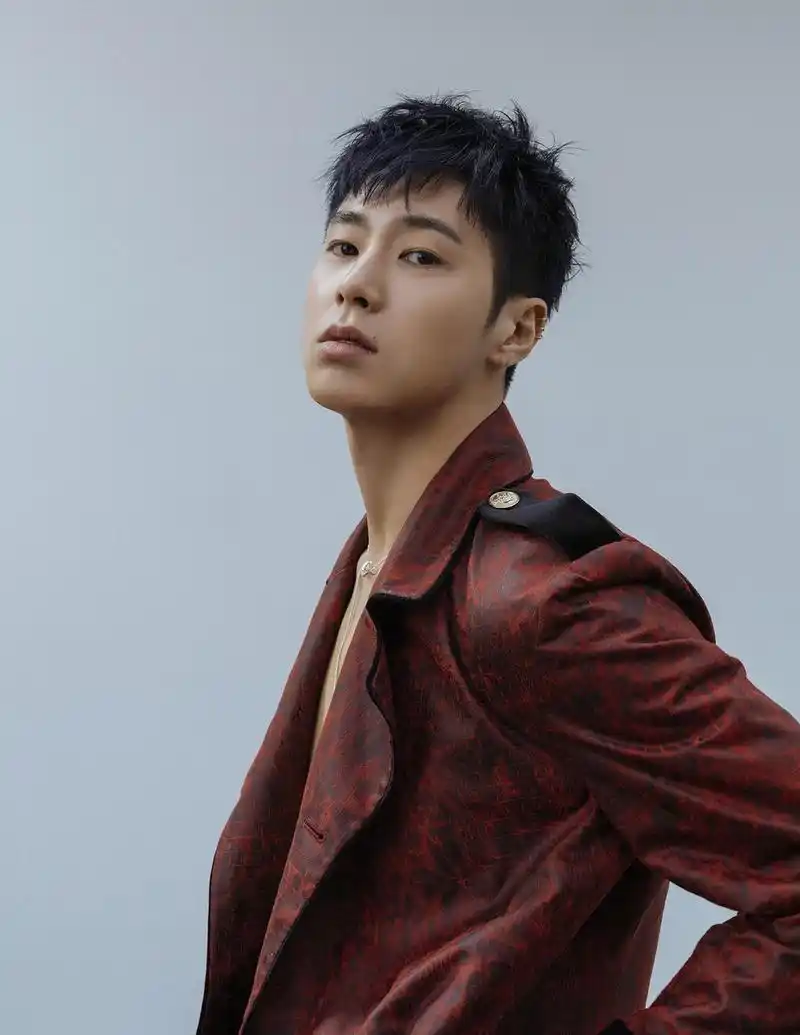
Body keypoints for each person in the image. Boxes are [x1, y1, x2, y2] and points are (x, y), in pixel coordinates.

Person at [195, 95, 800, 1035]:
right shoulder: (377, 567)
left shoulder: (540, 602)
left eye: (421, 256)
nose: (357, 286)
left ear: (517, 329)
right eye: (344, 244)